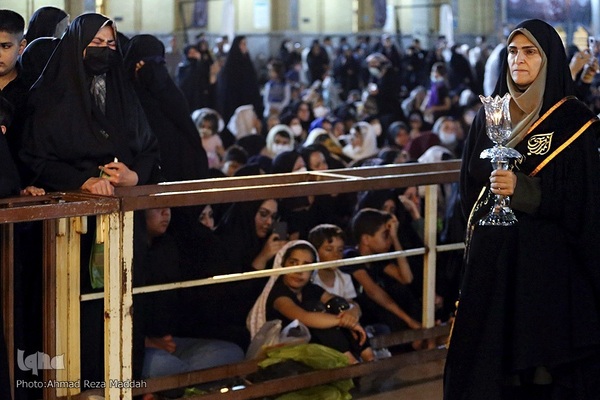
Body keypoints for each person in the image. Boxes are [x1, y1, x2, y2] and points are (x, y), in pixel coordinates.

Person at [444, 19, 600, 400]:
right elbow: (468, 183)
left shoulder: (573, 121)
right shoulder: (490, 114)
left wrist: (525, 190)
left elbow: (584, 197)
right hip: (492, 260)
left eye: (530, 52)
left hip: (543, 266)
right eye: (513, 51)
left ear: (549, 59)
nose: (519, 60)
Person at [20, 13, 161, 384]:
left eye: (110, 44)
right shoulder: (48, 97)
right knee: (78, 314)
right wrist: (81, 181)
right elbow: (34, 159)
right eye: (95, 44)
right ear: (76, 46)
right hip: (71, 231)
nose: (104, 51)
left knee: (125, 307)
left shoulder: (122, 92)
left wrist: (134, 175)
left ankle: (123, 384)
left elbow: (148, 148)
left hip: (122, 226)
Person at [141, 207, 244, 396]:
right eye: (157, 207)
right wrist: (146, 341)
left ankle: (175, 386)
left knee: (231, 352)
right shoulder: (127, 250)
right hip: (138, 348)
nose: (166, 213)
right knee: (163, 366)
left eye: (169, 207)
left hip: (169, 343)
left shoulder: (168, 247)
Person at [247, 240, 373, 364]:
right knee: (316, 313)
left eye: (306, 265)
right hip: (284, 355)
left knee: (338, 306)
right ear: (283, 264)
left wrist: (351, 313)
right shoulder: (279, 294)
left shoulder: (310, 289)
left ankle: (369, 357)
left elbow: (346, 303)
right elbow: (304, 317)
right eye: (293, 263)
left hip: (312, 349)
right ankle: (352, 363)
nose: (299, 271)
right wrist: (343, 321)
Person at [123, 34, 209, 182]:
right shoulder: (124, 99)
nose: (152, 70)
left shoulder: (172, 96)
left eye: (158, 63)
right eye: (143, 65)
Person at [215, 35, 263, 124]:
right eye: (242, 44)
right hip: (233, 102)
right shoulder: (230, 66)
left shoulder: (247, 63)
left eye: (245, 44)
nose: (245, 47)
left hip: (248, 101)